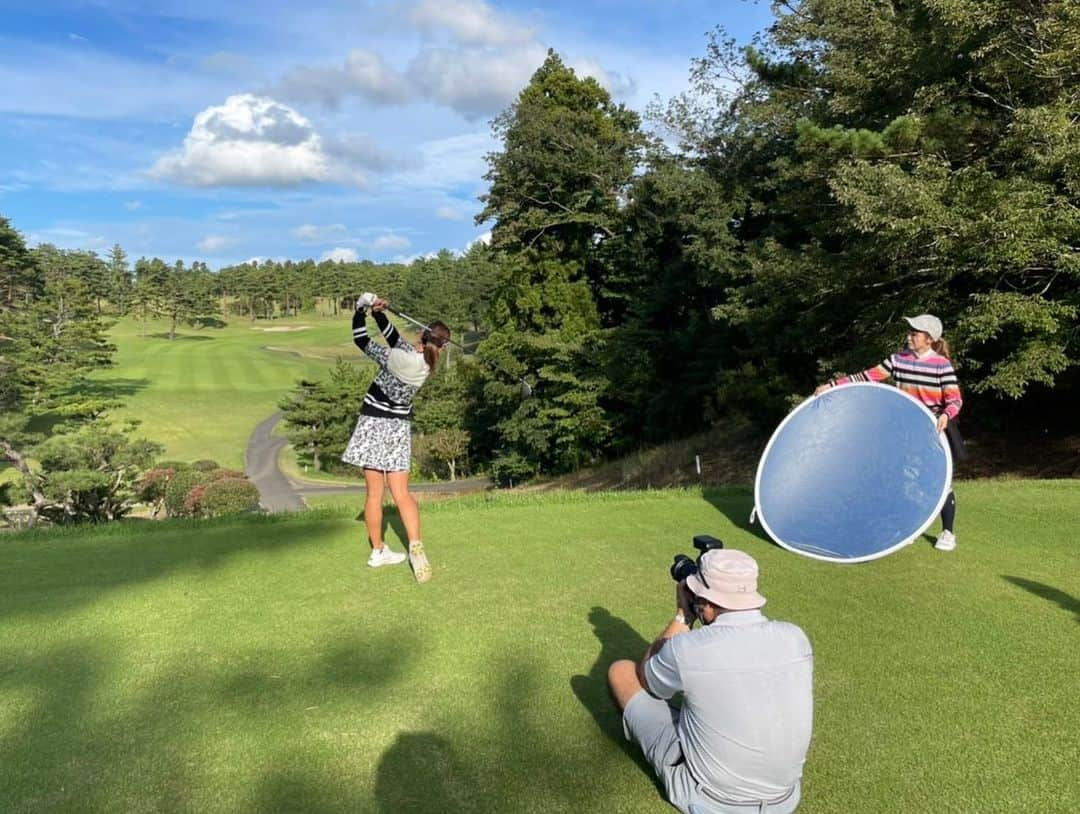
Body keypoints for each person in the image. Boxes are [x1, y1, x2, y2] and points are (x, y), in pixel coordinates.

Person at [607, 550, 813, 814]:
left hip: (710, 800)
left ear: (703, 600)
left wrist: (683, 615)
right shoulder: (796, 637)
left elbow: (647, 679)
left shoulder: (688, 649)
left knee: (621, 671)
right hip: (785, 799)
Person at [814, 313, 965, 551]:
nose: (909, 336)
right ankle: (913, 526)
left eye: (914, 333)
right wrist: (832, 385)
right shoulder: (898, 359)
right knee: (905, 479)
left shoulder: (941, 365)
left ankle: (948, 532)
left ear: (928, 339)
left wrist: (946, 415)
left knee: (939, 480)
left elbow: (955, 399)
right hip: (905, 429)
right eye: (910, 332)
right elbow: (867, 377)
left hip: (934, 429)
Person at [341, 293, 451, 583]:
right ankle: (415, 546)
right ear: (442, 346)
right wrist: (379, 313)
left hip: (372, 424)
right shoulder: (426, 366)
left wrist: (360, 311)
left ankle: (378, 550)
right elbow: (394, 338)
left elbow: (361, 339)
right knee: (401, 494)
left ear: (423, 336)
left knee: (375, 495)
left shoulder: (395, 357)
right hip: (397, 429)